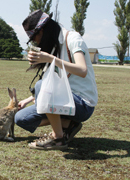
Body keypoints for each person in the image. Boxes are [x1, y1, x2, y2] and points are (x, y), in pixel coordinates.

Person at [14, 10, 98, 150]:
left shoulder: (72, 38)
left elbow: (82, 70)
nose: (35, 41)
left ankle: (58, 138)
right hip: (62, 100)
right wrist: (28, 99)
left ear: (44, 30)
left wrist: (50, 59)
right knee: (21, 119)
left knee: (41, 85)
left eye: (35, 36)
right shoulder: (53, 48)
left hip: (82, 103)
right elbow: (52, 82)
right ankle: (67, 123)